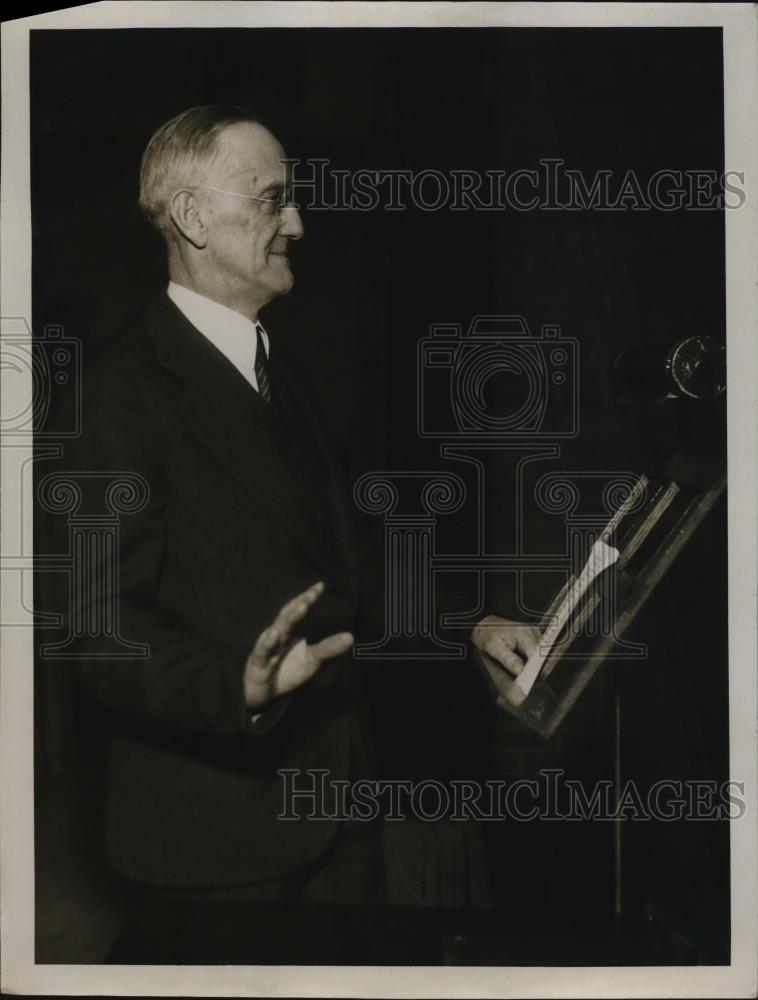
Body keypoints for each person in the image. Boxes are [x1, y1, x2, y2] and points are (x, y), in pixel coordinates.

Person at [54, 105, 538, 958]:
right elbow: (100, 629)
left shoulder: (277, 370)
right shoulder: (117, 396)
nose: (299, 224)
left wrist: (470, 621)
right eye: (274, 199)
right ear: (195, 219)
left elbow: (342, 559)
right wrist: (233, 685)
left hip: (338, 820)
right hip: (214, 850)